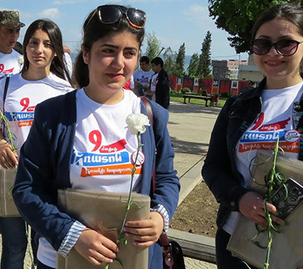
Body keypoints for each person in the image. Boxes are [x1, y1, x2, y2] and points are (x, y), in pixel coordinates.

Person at [12, 4, 180, 269]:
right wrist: (71, 234)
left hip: (132, 259)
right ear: (87, 54)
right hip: (63, 259)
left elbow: (167, 178)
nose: (119, 63)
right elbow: (26, 189)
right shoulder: (53, 114)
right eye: (108, 51)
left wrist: (160, 216)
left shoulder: (151, 114)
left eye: (129, 53)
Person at [202, 4, 303, 269]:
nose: (273, 53)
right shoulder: (236, 108)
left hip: (301, 254)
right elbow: (213, 167)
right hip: (236, 244)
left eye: (286, 44)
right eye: (263, 44)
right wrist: (240, 198)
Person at [0, 19, 73, 269]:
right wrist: (1, 145)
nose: (39, 49)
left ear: (56, 50)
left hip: (47, 182)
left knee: (44, 249)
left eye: (47, 44)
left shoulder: (65, 90)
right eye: (34, 42)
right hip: (12, 177)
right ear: (24, 47)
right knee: (13, 248)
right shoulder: (6, 85)